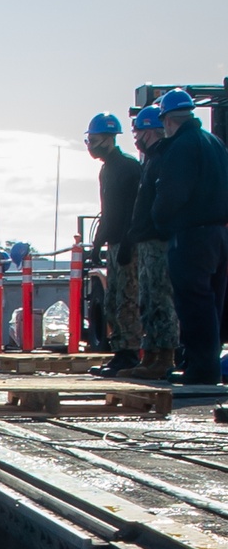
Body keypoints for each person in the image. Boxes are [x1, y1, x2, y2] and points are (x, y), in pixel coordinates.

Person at [151, 88, 228, 386]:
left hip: (192, 236)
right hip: (219, 235)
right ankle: (206, 363)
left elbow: (171, 195)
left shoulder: (182, 147)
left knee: (193, 303)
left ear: (168, 120)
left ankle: (201, 369)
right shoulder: (215, 143)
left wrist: (160, 221)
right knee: (212, 303)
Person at [122, 106, 178, 381]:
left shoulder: (162, 159)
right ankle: (152, 354)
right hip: (146, 239)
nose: (136, 137)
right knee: (147, 299)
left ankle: (164, 356)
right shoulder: (151, 160)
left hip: (157, 240)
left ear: (150, 130)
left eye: (138, 131)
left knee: (159, 299)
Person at [85, 113, 142, 377]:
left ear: (108, 139)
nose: (90, 145)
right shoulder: (106, 170)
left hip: (128, 243)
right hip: (115, 243)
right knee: (114, 301)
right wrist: (97, 244)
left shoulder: (129, 168)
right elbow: (107, 212)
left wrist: (130, 242)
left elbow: (135, 210)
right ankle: (120, 350)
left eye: (93, 140)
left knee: (128, 300)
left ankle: (130, 353)